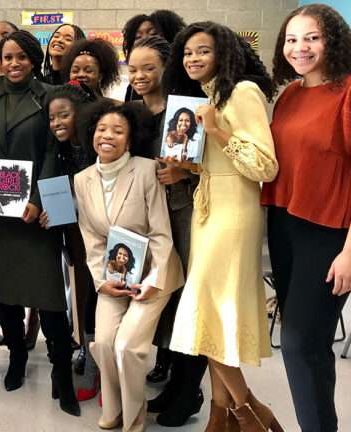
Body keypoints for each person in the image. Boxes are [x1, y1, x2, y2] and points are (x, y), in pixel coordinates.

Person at [164, 22, 282, 431]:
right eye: (187, 52)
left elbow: (264, 166)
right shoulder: (208, 96)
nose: (193, 58)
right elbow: (218, 162)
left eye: (203, 50)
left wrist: (214, 129)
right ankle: (221, 415)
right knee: (212, 318)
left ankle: (253, 412)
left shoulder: (243, 92)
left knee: (207, 310)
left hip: (234, 215)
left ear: (224, 53)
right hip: (208, 209)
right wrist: (187, 167)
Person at [0, 29, 79, 417]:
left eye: (21, 56)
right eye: (7, 56)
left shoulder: (49, 96)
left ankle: (61, 371)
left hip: (36, 212)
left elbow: (51, 152)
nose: (13, 63)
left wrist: (36, 200)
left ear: (33, 59)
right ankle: (16, 357)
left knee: (48, 295)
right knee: (6, 292)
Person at [65, 101, 184, 432]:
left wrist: (154, 280)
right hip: (114, 275)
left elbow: (161, 233)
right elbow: (91, 237)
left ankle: (134, 412)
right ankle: (114, 406)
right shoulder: (83, 179)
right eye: (102, 129)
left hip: (154, 273)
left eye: (118, 131)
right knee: (103, 343)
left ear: (130, 141)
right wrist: (101, 280)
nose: (108, 136)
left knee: (128, 346)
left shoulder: (146, 170)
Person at [262, 5, 351, 431]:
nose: (300, 47)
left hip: (329, 233)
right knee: (305, 347)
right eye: (292, 39)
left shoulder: (347, 92)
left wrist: (350, 252)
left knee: (300, 344)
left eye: (312, 37)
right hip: (284, 227)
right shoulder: (291, 95)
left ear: (333, 40)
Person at [127, 35, 207, 427]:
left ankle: (190, 390)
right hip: (147, 221)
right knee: (167, 302)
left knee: (191, 300)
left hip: (183, 214)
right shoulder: (132, 113)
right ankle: (176, 383)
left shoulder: (187, 109)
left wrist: (185, 173)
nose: (139, 76)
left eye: (148, 68)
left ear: (166, 69)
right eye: (133, 69)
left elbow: (214, 167)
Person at [40, 83, 101, 400]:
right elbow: (62, 192)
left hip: (104, 231)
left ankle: (102, 362)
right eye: (52, 118)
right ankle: (88, 354)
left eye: (64, 115)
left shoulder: (97, 143)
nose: (57, 123)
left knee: (101, 295)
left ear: (81, 114)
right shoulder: (59, 148)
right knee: (83, 291)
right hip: (77, 229)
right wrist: (54, 211)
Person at [122, 10, 186, 101]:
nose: (145, 39)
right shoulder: (134, 89)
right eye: (138, 37)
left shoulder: (187, 79)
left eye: (153, 34)